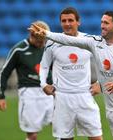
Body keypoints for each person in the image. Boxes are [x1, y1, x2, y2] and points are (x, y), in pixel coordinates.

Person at [29, 11, 113, 140]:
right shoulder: (95, 43)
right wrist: (47, 34)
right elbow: (68, 40)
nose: (102, 26)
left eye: (106, 23)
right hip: (111, 110)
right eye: (101, 22)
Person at [38, 7, 103, 140]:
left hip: (85, 95)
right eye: (64, 21)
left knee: (96, 137)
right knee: (65, 138)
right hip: (62, 97)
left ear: (78, 22)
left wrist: (100, 83)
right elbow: (44, 66)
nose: (67, 24)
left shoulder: (88, 40)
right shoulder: (52, 42)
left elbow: (103, 63)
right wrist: (43, 84)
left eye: (70, 20)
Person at [0, 21, 54, 140]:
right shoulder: (19, 50)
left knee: (61, 129)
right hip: (29, 94)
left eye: (44, 40)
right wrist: (1, 95)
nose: (42, 43)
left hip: (49, 92)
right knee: (32, 135)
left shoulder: (48, 48)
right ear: (31, 36)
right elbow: (4, 72)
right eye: (39, 41)